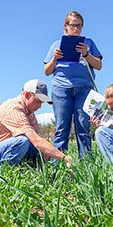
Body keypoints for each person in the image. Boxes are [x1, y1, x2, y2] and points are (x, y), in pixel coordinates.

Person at [44, 11, 103, 159]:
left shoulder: (88, 43)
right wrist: (55, 59)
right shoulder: (56, 45)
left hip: (84, 89)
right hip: (61, 89)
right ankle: (58, 167)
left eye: (79, 26)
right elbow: (47, 71)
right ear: (66, 26)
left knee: (83, 128)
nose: (76, 29)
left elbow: (99, 65)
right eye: (73, 25)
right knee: (61, 129)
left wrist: (86, 54)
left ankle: (87, 167)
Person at [0, 79, 72, 168]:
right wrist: (64, 158)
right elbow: (37, 141)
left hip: (2, 150)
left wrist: (45, 153)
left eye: (42, 103)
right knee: (22, 141)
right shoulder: (13, 108)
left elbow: (38, 139)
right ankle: (4, 172)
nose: (39, 106)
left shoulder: (30, 113)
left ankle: (33, 171)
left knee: (45, 150)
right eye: (38, 101)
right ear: (27, 95)